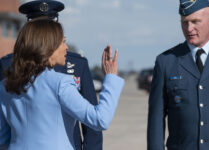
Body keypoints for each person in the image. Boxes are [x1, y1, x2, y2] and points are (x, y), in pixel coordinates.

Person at [0, 18, 124, 150]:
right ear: (47, 46)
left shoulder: (5, 85)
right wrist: (110, 77)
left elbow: (3, 138)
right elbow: (100, 119)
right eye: (62, 42)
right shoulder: (60, 83)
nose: (66, 47)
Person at [147, 0, 209, 150]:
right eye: (185, 22)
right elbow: (156, 121)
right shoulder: (166, 62)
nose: (189, 28)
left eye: (195, 21)